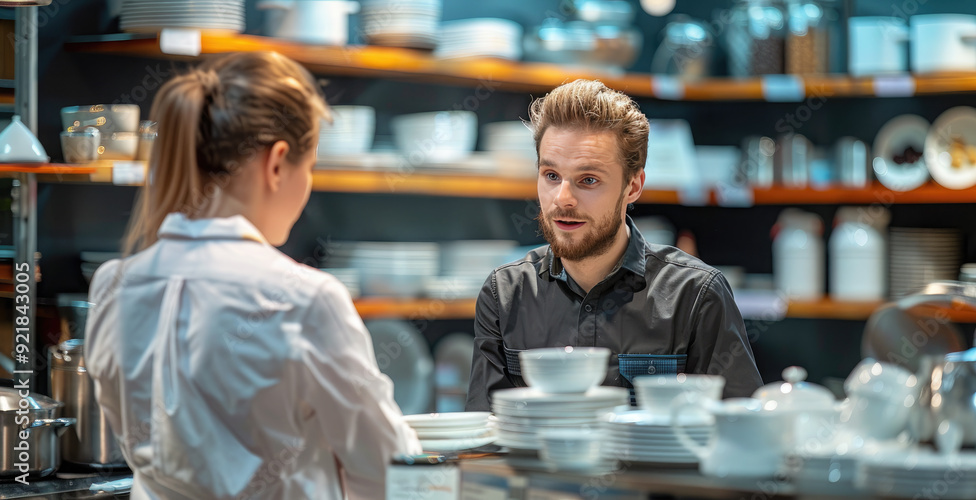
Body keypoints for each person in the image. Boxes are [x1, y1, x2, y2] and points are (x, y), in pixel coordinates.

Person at [85, 51, 420, 500]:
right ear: (278, 162)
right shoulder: (307, 299)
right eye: (311, 166)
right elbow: (389, 469)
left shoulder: (112, 284)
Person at [466, 79, 763, 411]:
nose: (562, 199)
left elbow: (742, 435)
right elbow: (484, 438)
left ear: (633, 187)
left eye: (588, 180)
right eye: (551, 175)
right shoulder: (504, 294)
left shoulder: (696, 295)